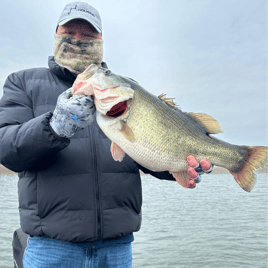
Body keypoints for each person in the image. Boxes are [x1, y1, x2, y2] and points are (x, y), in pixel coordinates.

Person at [0, 2, 213, 268]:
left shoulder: (124, 91)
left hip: (117, 249)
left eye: (88, 35)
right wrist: (55, 126)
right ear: (55, 34)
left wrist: (182, 165)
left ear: (101, 41)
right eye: (70, 32)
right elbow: (6, 148)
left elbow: (145, 153)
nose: (78, 40)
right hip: (50, 249)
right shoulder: (22, 82)